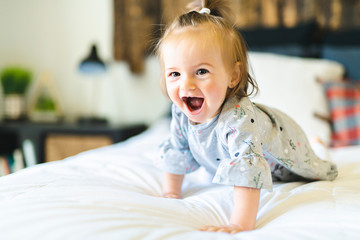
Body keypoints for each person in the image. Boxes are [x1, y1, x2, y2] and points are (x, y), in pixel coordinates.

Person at [154, 0, 338, 234]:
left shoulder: (238, 118)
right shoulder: (180, 112)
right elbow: (177, 150)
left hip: (286, 150)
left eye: (201, 71)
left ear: (233, 75)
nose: (186, 84)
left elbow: (248, 168)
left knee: (317, 165)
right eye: (174, 74)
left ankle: (318, 145)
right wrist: (170, 194)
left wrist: (240, 223)